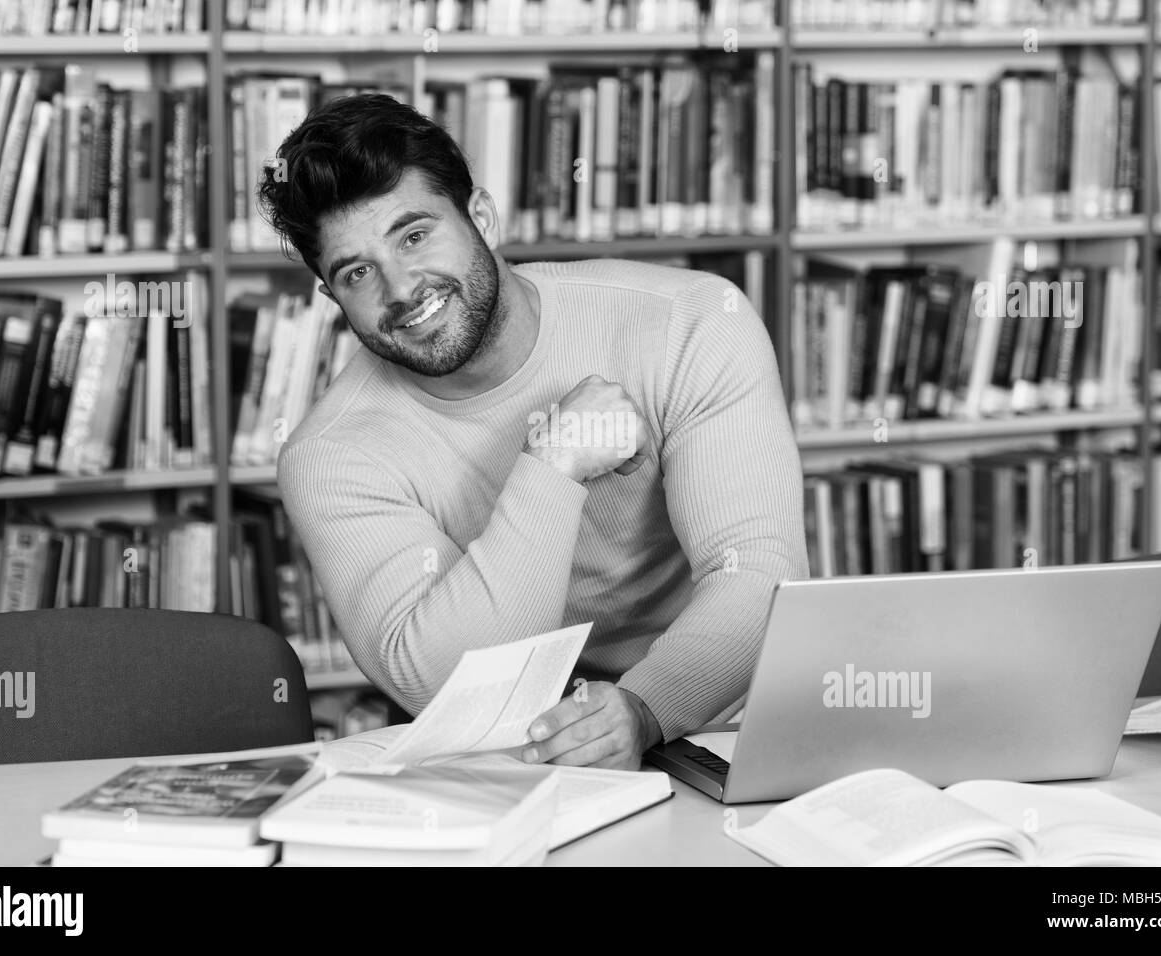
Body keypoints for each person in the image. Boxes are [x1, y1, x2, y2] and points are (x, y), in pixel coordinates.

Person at [260, 93, 807, 770]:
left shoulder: (691, 322)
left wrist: (641, 710)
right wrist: (552, 465)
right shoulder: (330, 458)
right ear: (333, 298)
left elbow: (757, 574)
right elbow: (445, 683)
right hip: (508, 756)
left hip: (723, 727)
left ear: (482, 219)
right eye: (359, 272)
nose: (401, 289)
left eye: (415, 234)